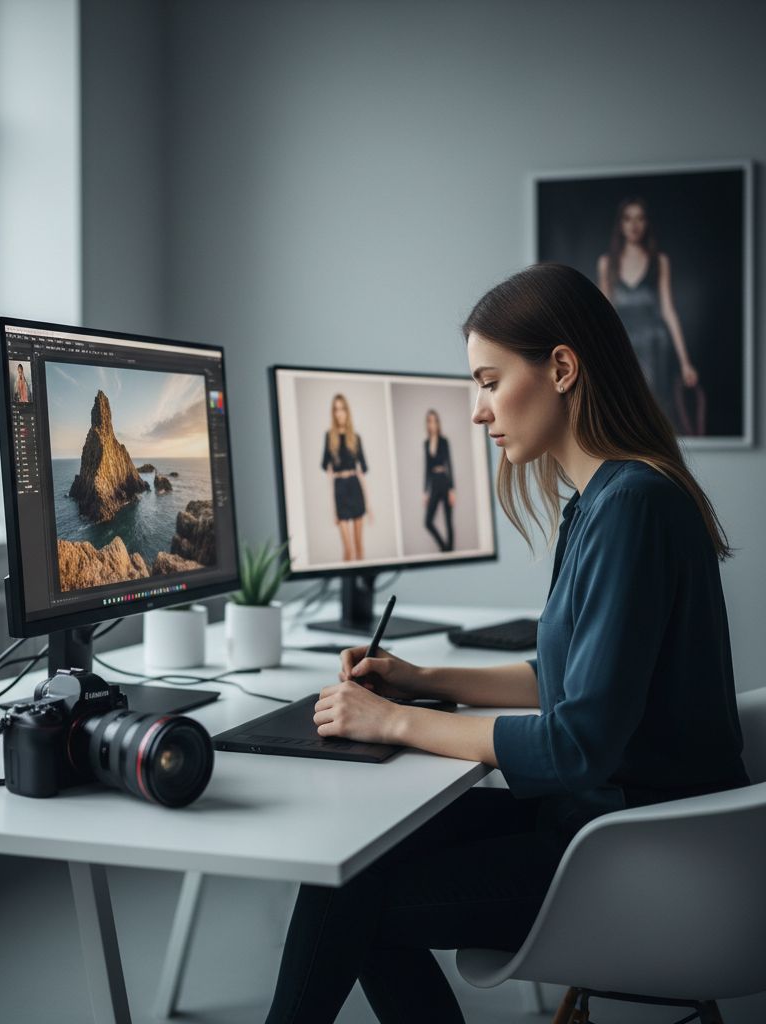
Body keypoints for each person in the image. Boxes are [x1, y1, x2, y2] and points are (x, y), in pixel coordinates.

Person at [265, 263, 748, 1024]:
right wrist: (424, 677)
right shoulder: (602, 502)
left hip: (639, 852)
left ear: (560, 368)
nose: (479, 412)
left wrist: (392, 720)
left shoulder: (634, 508)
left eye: (489, 382)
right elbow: (565, 679)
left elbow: (577, 742)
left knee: (354, 903)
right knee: (348, 869)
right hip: (602, 822)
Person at [597, 197, 699, 431]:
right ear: (620, 224)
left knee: (656, 409)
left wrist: (686, 363)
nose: (634, 224)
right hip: (623, 345)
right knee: (622, 409)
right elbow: (603, 313)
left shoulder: (659, 261)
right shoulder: (607, 263)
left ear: (646, 224)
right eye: (628, 218)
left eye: (640, 218)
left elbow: (668, 310)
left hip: (655, 345)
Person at [321, 394, 372, 561]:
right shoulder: (329, 437)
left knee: (359, 549)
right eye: (336, 409)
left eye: (342, 409)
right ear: (333, 413)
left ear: (347, 412)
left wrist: (369, 507)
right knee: (348, 551)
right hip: (340, 489)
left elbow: (363, 469)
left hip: (355, 487)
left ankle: (362, 584)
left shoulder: (355, 438)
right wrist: (332, 510)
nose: (339, 413)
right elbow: (325, 467)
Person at [422, 409, 455, 552]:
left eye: (434, 420)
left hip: (445, 481)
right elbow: (426, 468)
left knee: (448, 521)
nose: (432, 424)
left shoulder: (444, 441)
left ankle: (450, 552)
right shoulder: (426, 443)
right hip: (434, 483)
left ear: (438, 422)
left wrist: (452, 489)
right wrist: (425, 492)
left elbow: (449, 464)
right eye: (429, 421)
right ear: (427, 424)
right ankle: (444, 549)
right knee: (428, 522)